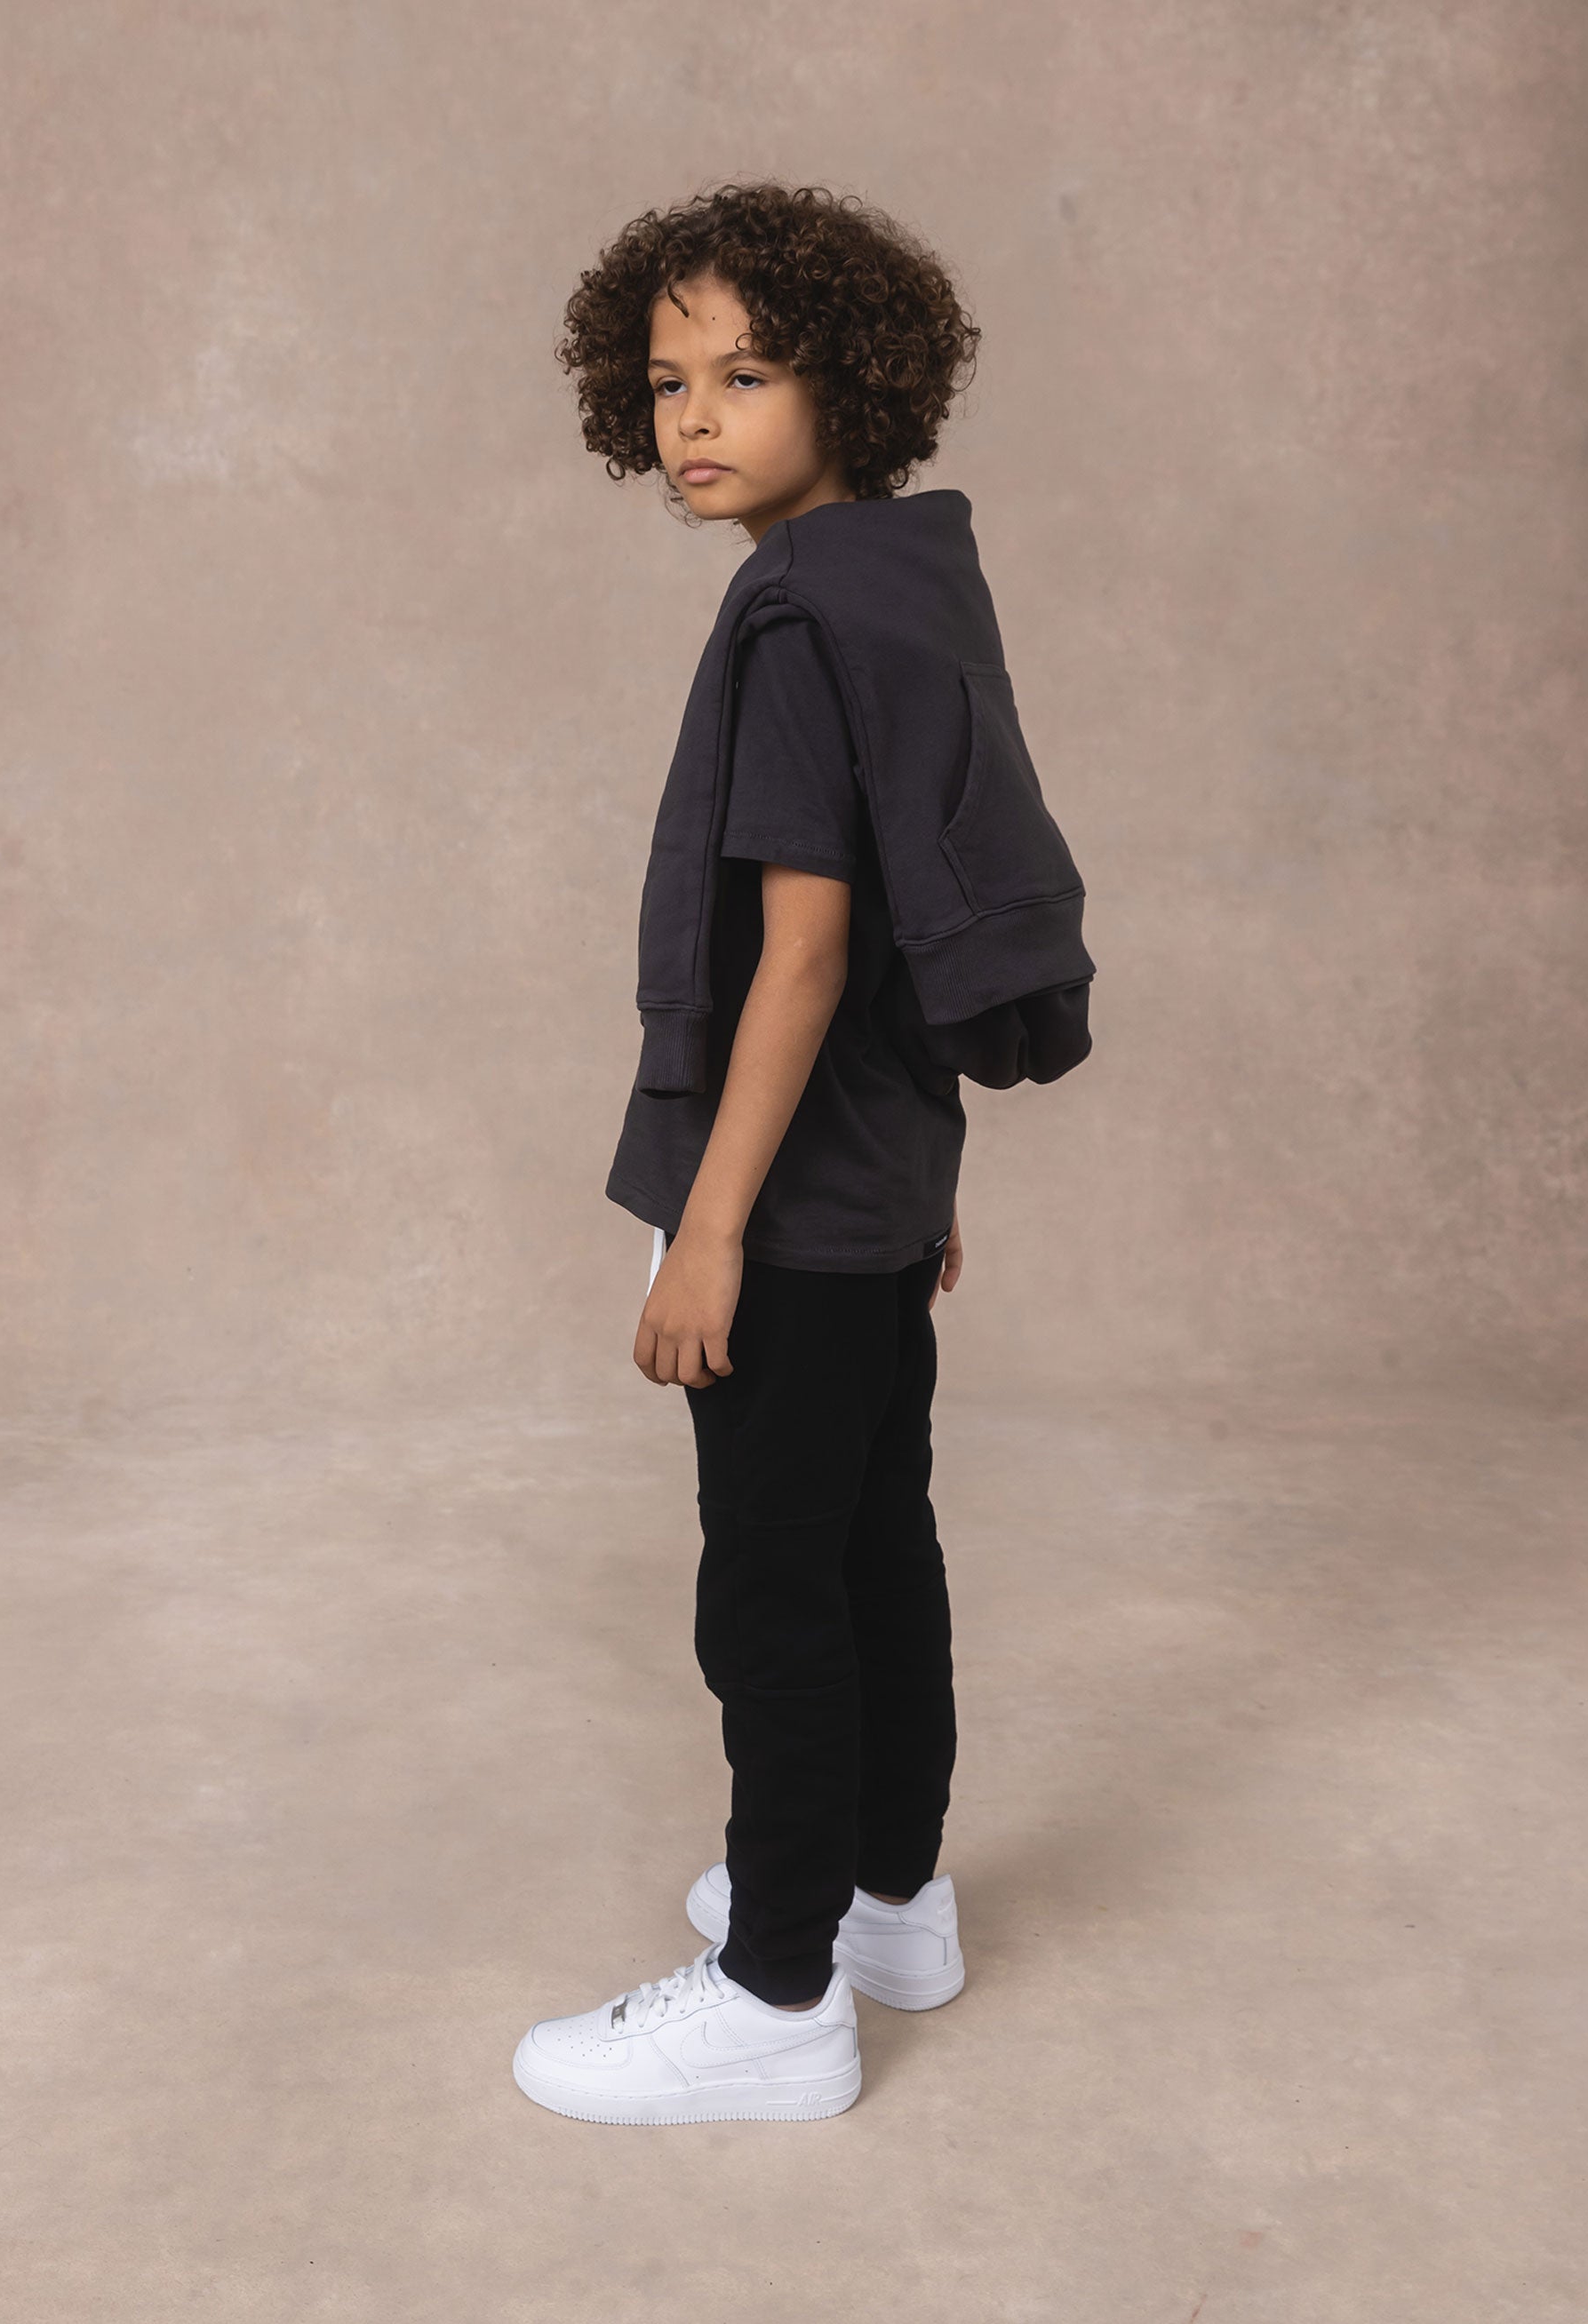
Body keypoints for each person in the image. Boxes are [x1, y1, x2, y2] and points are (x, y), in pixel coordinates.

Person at [513, 182, 1091, 2126]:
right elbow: (949, 898)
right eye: (666, 381)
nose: (694, 417)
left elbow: (814, 950)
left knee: (769, 1589)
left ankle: (776, 1994)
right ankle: (888, 1901)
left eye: (746, 375)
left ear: (852, 381)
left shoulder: (788, 622)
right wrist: (926, 1177)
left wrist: (710, 1231)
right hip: (881, 1181)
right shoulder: (911, 582)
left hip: (791, 1205)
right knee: (874, 1545)